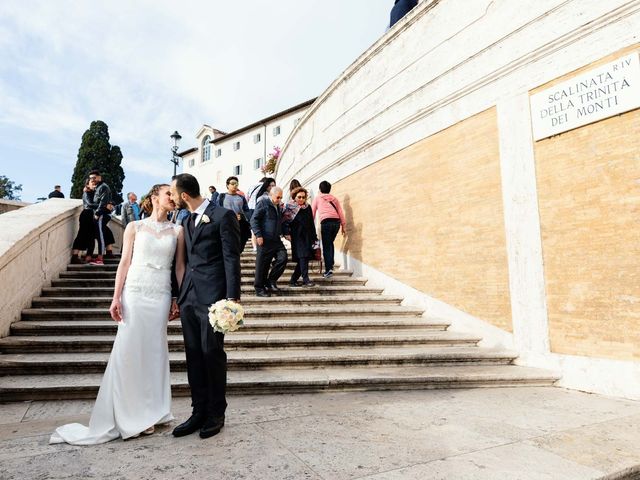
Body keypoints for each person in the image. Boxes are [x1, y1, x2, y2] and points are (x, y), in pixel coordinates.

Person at [50, 184, 185, 445]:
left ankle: (153, 411)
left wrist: (179, 298)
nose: (173, 198)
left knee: (155, 351)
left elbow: (179, 266)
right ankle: (130, 414)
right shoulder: (134, 227)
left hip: (160, 294)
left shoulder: (177, 231)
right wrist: (115, 297)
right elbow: (124, 263)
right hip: (134, 292)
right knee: (128, 351)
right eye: (168, 193)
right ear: (154, 197)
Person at [170, 173, 241, 439]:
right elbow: (184, 261)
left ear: (184, 195)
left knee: (212, 353)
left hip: (214, 298)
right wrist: (178, 295)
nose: (172, 198)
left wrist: (232, 298)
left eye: (174, 193)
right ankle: (198, 410)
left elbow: (231, 258)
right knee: (193, 355)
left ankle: (216, 413)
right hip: (189, 297)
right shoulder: (186, 219)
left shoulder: (222, 216)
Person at [250, 186, 287, 297]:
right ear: (271, 195)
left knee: (283, 257)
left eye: (281, 197)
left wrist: (286, 233)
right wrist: (258, 235)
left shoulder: (279, 207)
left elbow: (281, 222)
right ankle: (259, 288)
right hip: (264, 239)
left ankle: (271, 281)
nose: (279, 199)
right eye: (278, 197)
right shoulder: (263, 204)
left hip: (276, 240)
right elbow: (254, 219)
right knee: (262, 265)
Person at [311, 180, 346, 278]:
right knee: (330, 243)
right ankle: (331, 262)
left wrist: (309, 226)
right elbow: (340, 211)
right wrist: (343, 226)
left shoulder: (317, 198)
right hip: (336, 223)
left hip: (326, 222)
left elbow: (312, 213)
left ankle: (328, 269)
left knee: (327, 246)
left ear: (320, 189)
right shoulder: (334, 199)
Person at [283, 187, 317, 287]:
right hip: (296, 236)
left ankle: (293, 280)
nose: (301, 199)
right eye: (299, 197)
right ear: (294, 197)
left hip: (307, 236)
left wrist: (314, 237)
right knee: (302, 257)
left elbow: (311, 223)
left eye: (303, 197)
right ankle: (306, 280)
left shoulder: (308, 207)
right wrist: (287, 234)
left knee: (304, 258)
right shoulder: (290, 207)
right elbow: (284, 222)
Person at [217, 176, 251, 251]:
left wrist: (242, 217)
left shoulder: (241, 198)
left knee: (239, 247)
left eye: (236, 184)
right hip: (226, 224)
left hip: (239, 225)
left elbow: (247, 211)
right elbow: (217, 210)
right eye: (232, 184)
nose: (235, 185)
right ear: (227, 185)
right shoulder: (222, 197)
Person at [86, 170, 112, 266]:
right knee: (98, 234)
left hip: (101, 215)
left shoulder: (103, 187)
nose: (92, 179)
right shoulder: (97, 188)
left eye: (94, 177)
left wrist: (97, 213)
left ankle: (100, 259)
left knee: (100, 235)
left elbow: (103, 202)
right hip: (99, 214)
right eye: (91, 178)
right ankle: (99, 257)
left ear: (99, 177)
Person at [70, 179, 96, 264]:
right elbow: (89, 204)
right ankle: (75, 256)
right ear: (87, 185)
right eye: (92, 183)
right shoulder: (87, 193)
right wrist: (101, 204)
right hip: (86, 215)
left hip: (91, 215)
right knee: (82, 234)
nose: (95, 184)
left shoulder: (94, 193)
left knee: (91, 236)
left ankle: (88, 257)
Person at [247, 177, 276, 252]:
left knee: (254, 229)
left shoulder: (252, 186)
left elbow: (248, 197)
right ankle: (256, 246)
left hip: (251, 207)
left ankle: (255, 247)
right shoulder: (264, 196)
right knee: (256, 227)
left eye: (273, 186)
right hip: (257, 207)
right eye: (271, 185)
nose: (272, 187)